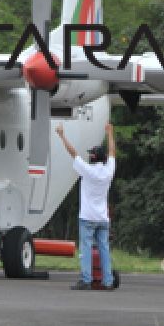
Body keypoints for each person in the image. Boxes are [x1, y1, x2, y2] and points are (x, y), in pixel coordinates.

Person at [56, 122, 116, 291]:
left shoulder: (87, 171)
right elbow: (112, 152)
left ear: (93, 157)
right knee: (104, 249)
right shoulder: (108, 171)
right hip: (103, 218)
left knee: (86, 249)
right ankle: (108, 281)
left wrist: (62, 136)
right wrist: (110, 133)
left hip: (88, 217)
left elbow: (73, 153)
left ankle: (86, 280)